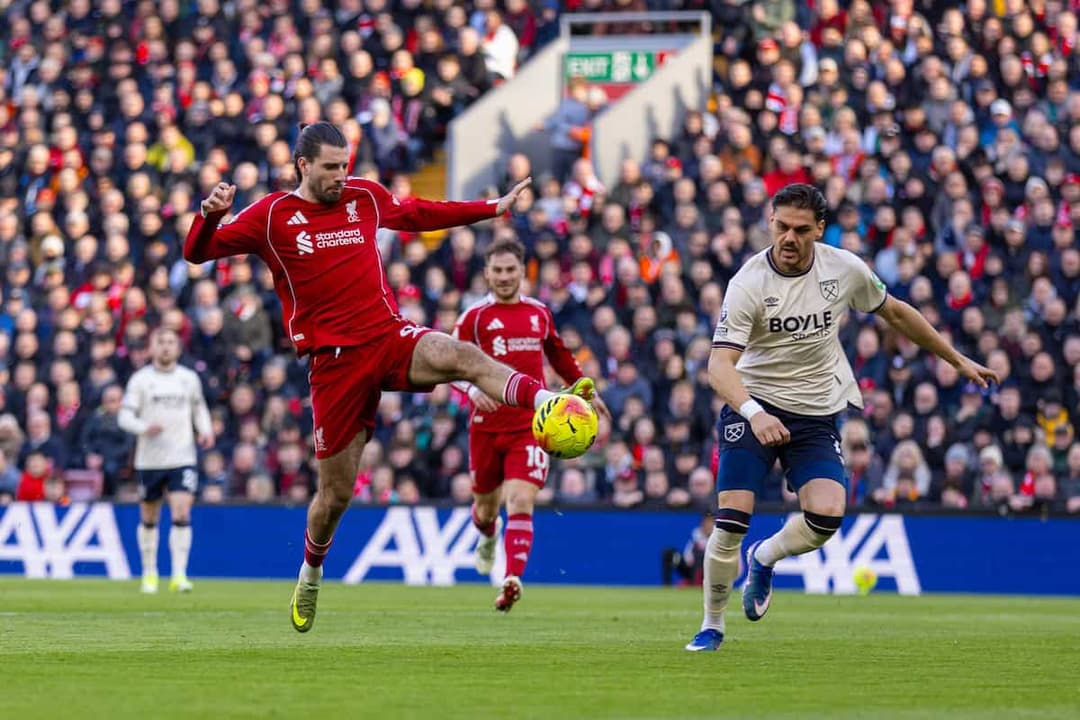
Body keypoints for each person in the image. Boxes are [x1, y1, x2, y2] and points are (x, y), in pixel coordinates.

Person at [183, 122, 597, 632]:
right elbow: (198, 253)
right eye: (331, 167)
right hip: (334, 365)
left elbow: (421, 213)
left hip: (388, 337)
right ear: (303, 166)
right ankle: (310, 574)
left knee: (463, 355)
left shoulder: (363, 197)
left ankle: (545, 403)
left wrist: (489, 208)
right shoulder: (272, 216)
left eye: (345, 164)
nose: (341, 175)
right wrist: (210, 218)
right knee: (334, 498)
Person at [685, 184, 998, 652]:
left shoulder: (843, 268)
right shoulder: (748, 282)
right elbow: (718, 366)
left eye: (800, 230)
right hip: (754, 405)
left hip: (815, 411)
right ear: (770, 222)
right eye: (781, 226)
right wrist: (753, 412)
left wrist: (956, 360)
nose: (789, 238)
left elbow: (895, 313)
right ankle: (712, 625)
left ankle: (765, 557)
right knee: (730, 520)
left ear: (820, 230)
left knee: (828, 515)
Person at [452, 237, 610, 611]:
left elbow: (559, 355)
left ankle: (511, 578)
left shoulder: (539, 313)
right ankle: (488, 535)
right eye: (498, 270)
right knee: (486, 510)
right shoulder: (473, 318)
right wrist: (472, 392)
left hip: (532, 426)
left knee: (520, 499)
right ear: (487, 273)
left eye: (511, 270)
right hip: (486, 425)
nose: (505, 277)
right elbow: (449, 364)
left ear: (523, 271)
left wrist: (585, 390)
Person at [118, 327, 215, 594]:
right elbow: (124, 417)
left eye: (171, 342)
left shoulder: (188, 379)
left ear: (178, 347)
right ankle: (149, 574)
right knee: (149, 516)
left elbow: (199, 407)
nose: (165, 347)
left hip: (182, 456)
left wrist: (205, 430)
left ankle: (179, 574)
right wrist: (143, 427)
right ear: (152, 347)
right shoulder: (140, 380)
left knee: (182, 512)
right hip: (149, 460)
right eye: (160, 341)